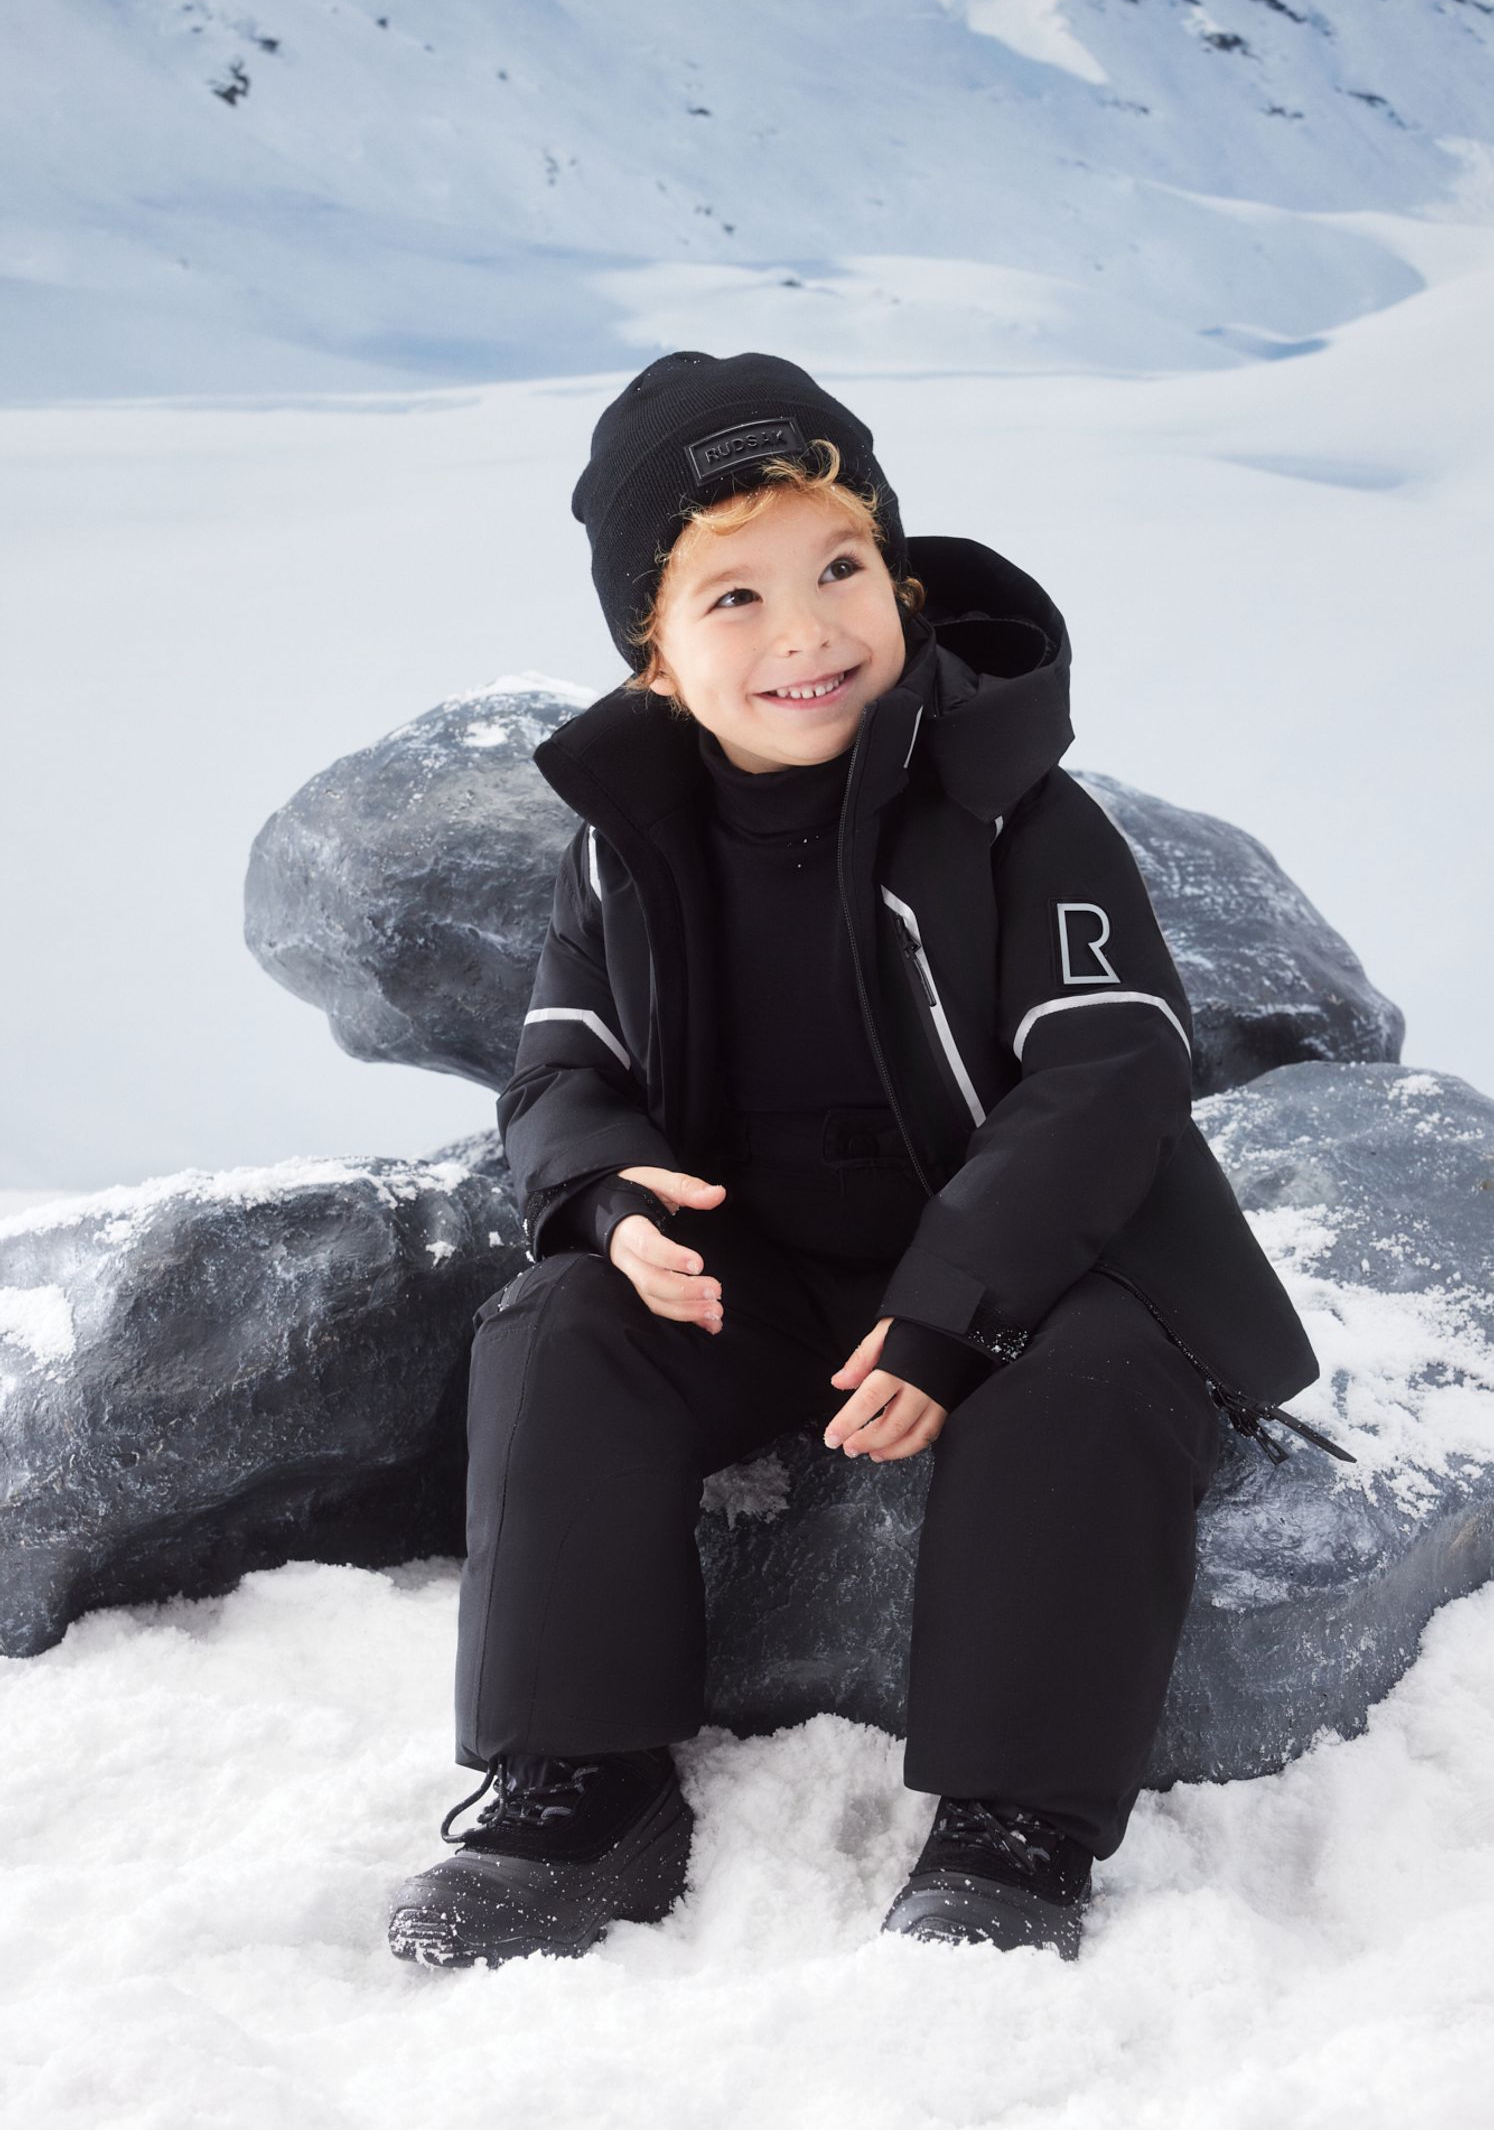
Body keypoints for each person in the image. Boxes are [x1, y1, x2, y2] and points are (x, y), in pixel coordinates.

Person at [387, 350, 1350, 1973]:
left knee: (1100, 1383)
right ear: (653, 656)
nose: (806, 634)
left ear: (899, 578)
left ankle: (1011, 1821)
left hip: (1035, 1274)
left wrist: (949, 1308)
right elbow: (560, 1070)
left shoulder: (1017, 812)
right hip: (763, 1276)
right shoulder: (621, 849)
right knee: (551, 1329)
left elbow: (1102, 1084)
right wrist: (613, 1199)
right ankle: (578, 1779)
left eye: (840, 570)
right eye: (735, 600)